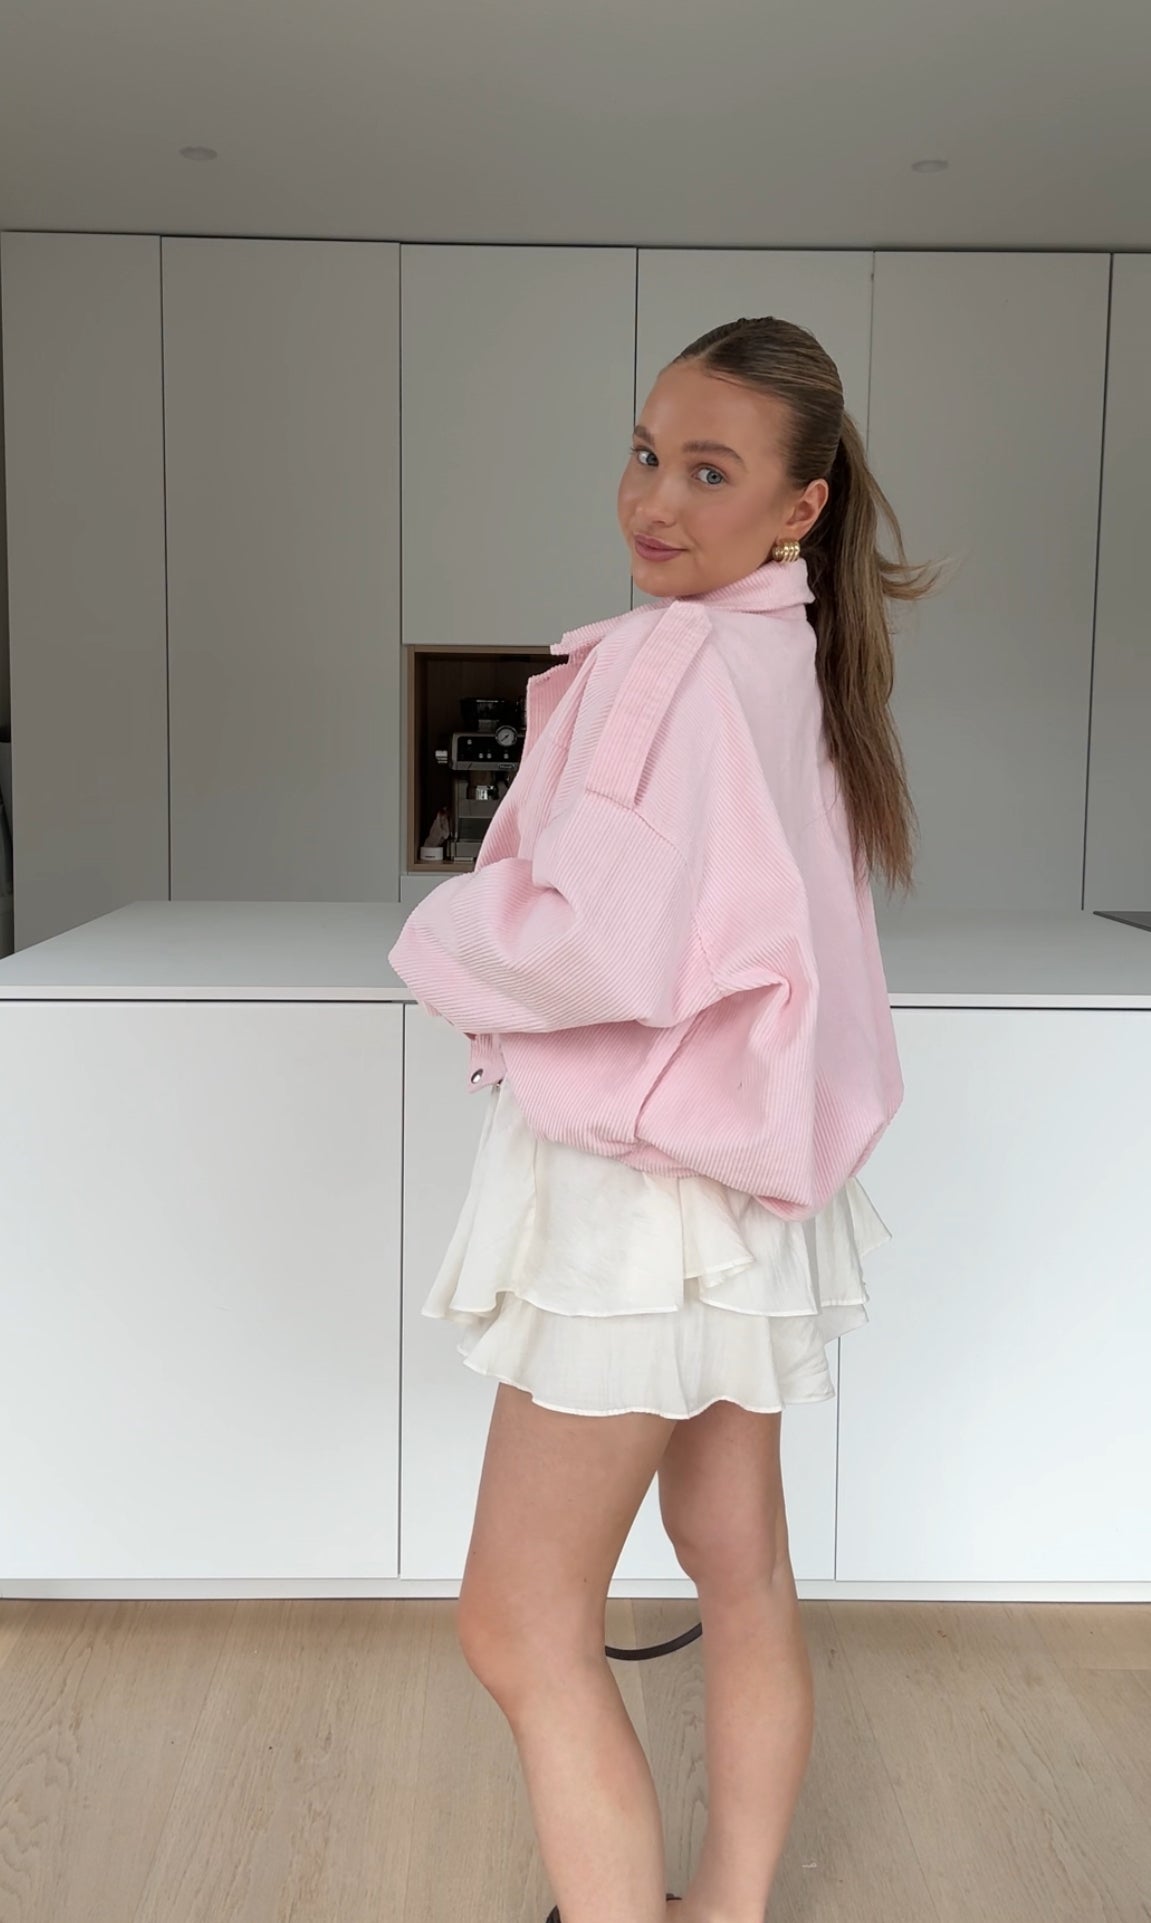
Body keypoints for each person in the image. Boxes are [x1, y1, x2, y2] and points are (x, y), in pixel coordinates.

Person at [388, 315, 938, 1923]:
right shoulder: (792, 661)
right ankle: (728, 1910)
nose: (653, 499)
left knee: (518, 1626)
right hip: (748, 1189)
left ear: (799, 506)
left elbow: (596, 943)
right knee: (742, 1572)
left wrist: (438, 936)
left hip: (637, 1198)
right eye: (646, 452)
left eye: (709, 471)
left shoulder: (673, 657)